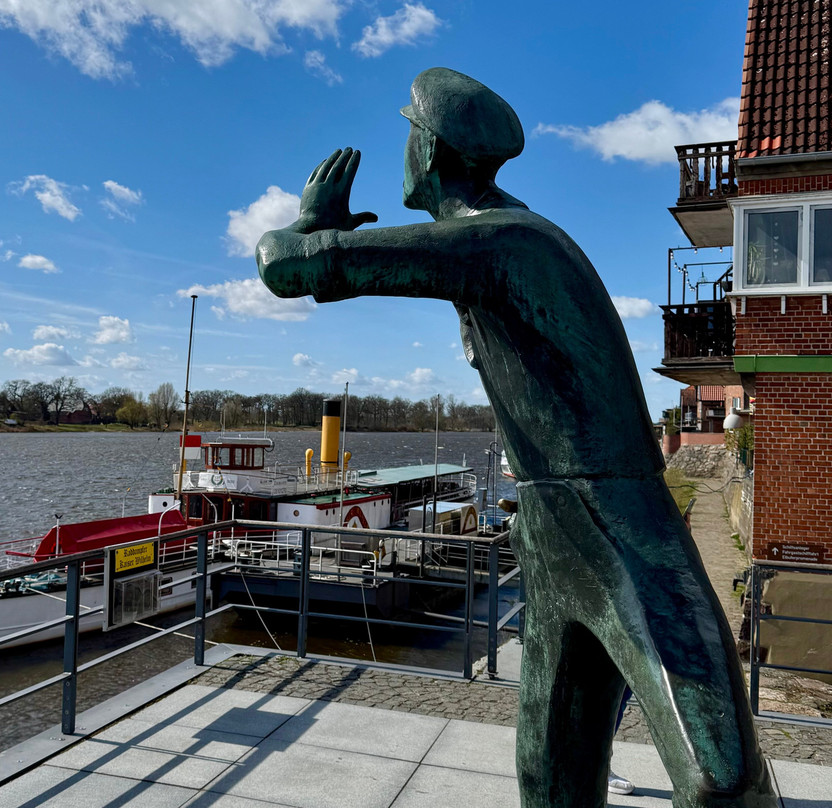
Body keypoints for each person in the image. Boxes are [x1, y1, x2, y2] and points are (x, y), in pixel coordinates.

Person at [256, 68, 775, 807]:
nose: (402, 148)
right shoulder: (492, 244)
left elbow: (286, 265)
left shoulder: (503, 243)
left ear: (431, 153)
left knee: (720, 776)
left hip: (621, 524)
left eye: (409, 132)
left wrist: (312, 225)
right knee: (549, 773)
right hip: (552, 531)